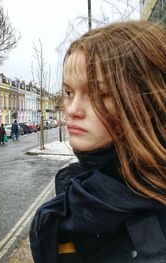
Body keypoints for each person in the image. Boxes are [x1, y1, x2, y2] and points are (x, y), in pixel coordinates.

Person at [29, 21, 166, 263]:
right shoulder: (82, 189)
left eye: (99, 94)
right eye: (69, 93)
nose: (72, 109)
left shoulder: (153, 226)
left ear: (149, 103)